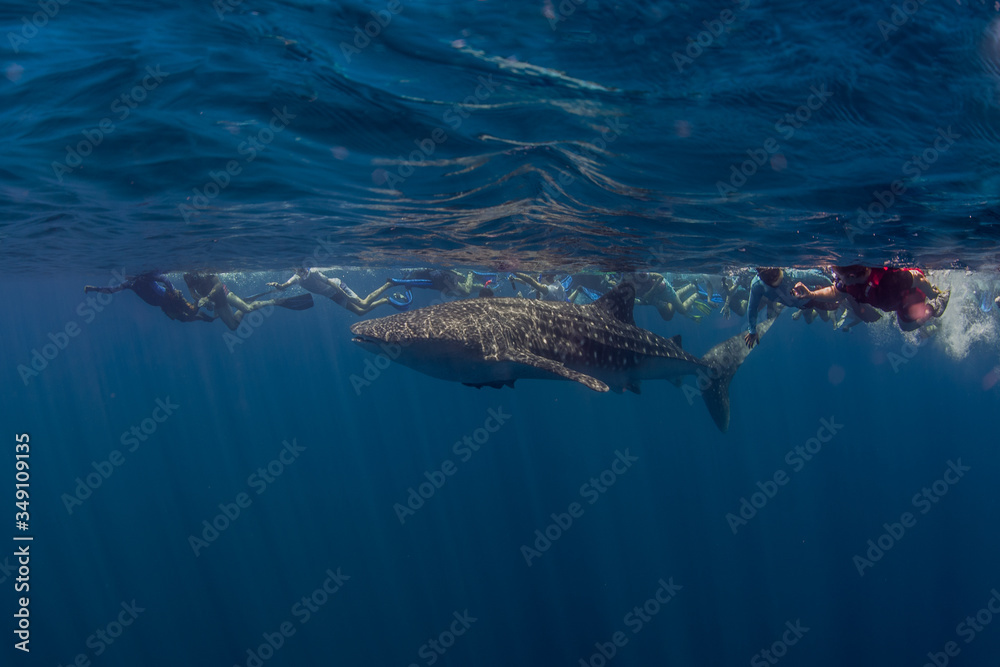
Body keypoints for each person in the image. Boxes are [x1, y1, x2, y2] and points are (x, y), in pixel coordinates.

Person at [791, 265, 949, 333]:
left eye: (837, 275)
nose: (836, 278)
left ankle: (936, 306)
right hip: (894, 300)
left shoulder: (887, 283)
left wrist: (933, 294)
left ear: (851, 276)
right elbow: (836, 292)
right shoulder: (851, 283)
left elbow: (917, 278)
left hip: (910, 296)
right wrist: (811, 295)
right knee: (904, 325)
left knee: (906, 325)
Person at [183, 273, 313, 331]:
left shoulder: (206, 271)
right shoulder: (187, 276)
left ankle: (274, 301)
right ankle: (246, 301)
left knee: (247, 309)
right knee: (233, 327)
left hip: (225, 294)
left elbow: (218, 285)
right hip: (217, 303)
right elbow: (192, 293)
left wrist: (208, 297)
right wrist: (202, 300)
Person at [744, 268, 837, 348]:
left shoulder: (793, 275)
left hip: (815, 296)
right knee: (809, 320)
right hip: (802, 305)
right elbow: (752, 307)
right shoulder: (757, 285)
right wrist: (752, 330)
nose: (773, 278)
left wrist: (836, 295)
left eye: (776, 277)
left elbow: (822, 280)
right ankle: (810, 311)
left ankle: (827, 311)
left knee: (825, 318)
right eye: (770, 279)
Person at [84, 272, 214, 323]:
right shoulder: (129, 284)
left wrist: (173, 291)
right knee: (185, 319)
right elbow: (112, 290)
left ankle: (200, 301)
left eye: (129, 275)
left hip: (170, 296)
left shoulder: (144, 277)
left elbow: (163, 278)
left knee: (191, 311)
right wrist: (94, 289)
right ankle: (201, 316)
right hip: (163, 304)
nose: (127, 277)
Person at [268, 268, 401, 315]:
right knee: (361, 312)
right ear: (294, 270)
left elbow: (332, 283)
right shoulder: (296, 279)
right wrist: (277, 285)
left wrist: (344, 295)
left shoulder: (314, 272)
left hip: (338, 287)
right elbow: (284, 286)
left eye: (302, 268)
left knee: (363, 304)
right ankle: (386, 300)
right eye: (298, 269)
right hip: (332, 295)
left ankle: (388, 284)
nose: (301, 271)